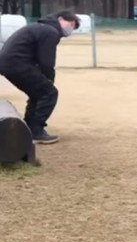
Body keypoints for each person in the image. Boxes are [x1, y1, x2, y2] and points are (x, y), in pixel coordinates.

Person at [0, 10, 80, 144]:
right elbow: (46, 61)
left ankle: (28, 128)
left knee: (37, 93)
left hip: (10, 63)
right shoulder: (50, 31)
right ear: (60, 19)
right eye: (70, 23)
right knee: (49, 93)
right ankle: (36, 130)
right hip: (17, 63)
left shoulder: (41, 27)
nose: (71, 28)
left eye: (74, 27)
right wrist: (49, 79)